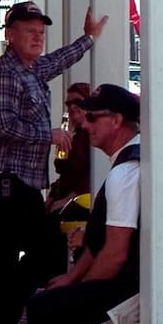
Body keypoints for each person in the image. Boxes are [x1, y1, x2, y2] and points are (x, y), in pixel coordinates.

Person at [0, 2, 108, 324]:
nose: (37, 37)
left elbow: (58, 60)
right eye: (30, 31)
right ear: (10, 35)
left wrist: (87, 39)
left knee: (6, 257)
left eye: (41, 32)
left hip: (22, 181)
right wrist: (46, 134)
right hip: (6, 179)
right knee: (37, 253)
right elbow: (2, 126)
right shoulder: (5, 72)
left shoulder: (31, 69)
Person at [26, 84, 143, 324]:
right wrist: (72, 277)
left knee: (44, 308)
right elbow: (100, 241)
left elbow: (115, 254)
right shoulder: (125, 162)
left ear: (117, 120)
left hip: (134, 288)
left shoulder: (125, 173)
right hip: (128, 281)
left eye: (92, 117)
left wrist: (80, 288)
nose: (85, 124)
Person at [50, 83, 96, 261]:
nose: (72, 107)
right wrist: (53, 196)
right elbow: (64, 172)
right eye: (69, 104)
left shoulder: (91, 134)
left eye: (78, 102)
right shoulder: (74, 134)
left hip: (80, 202)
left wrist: (67, 199)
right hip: (65, 197)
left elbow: (90, 174)